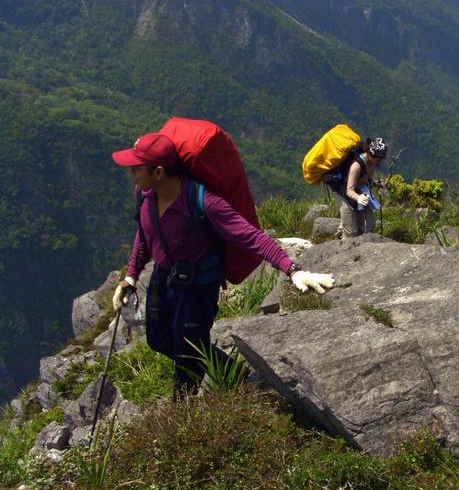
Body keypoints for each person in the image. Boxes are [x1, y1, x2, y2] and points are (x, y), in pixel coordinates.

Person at [111, 132, 334, 397]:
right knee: (159, 340)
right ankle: (230, 371)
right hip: (164, 277)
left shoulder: (202, 202)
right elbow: (145, 234)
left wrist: (293, 270)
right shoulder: (145, 194)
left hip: (197, 287)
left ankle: (183, 412)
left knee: (188, 358)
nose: (131, 172)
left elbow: (252, 236)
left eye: (136, 167)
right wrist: (131, 277)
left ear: (158, 172)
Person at [338, 137, 387, 239]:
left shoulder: (372, 162)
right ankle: (343, 243)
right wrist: (358, 198)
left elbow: (365, 178)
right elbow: (349, 190)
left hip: (361, 192)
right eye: (378, 159)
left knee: (367, 227)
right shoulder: (356, 166)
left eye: (381, 159)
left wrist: (376, 184)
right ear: (370, 153)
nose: (379, 162)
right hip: (346, 196)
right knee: (351, 232)